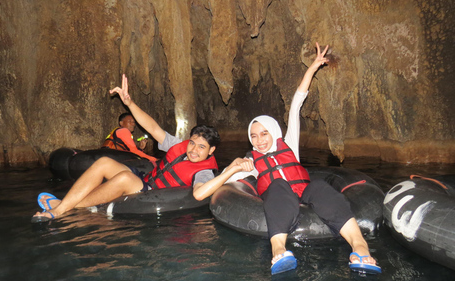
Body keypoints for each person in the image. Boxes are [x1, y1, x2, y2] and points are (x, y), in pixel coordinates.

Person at [222, 42, 381, 275]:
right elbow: (220, 185)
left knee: (319, 185)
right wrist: (234, 167)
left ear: (273, 131)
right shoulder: (252, 163)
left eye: (264, 133)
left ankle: (360, 248)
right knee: (277, 184)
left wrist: (313, 67)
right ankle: (279, 251)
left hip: (305, 193)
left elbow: (296, 103)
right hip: (279, 198)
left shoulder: (289, 144)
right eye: (254, 136)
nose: (260, 140)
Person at [32, 75, 244, 222]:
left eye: (201, 147)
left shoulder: (204, 171)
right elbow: (152, 127)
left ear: (211, 151)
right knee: (105, 162)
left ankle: (61, 208)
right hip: (146, 178)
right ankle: (65, 204)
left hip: (151, 192)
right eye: (192, 143)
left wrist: (231, 171)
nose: (194, 150)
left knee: (124, 179)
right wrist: (129, 103)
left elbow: (199, 195)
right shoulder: (179, 146)